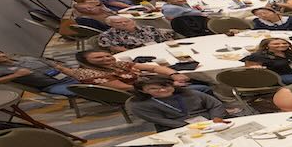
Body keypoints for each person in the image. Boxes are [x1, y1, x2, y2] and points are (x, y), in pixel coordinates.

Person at [127, 76, 238, 130]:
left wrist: (215, 119)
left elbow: (215, 104)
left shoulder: (190, 93)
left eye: (165, 86)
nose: (162, 90)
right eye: (154, 89)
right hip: (178, 127)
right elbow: (161, 120)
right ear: (143, 90)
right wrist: (192, 127)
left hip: (212, 121)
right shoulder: (140, 105)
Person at [68, 50, 201, 93]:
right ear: (86, 62)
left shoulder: (116, 63)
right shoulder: (90, 73)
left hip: (150, 83)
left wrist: (174, 74)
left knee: (196, 79)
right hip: (141, 92)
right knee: (200, 89)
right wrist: (169, 86)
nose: (106, 59)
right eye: (98, 57)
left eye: (108, 55)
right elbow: (126, 88)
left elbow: (153, 68)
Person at [0, 48, 80, 96]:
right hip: (51, 85)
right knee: (85, 90)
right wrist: (15, 75)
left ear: (2, 52)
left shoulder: (23, 58)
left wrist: (68, 71)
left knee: (95, 77)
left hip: (66, 76)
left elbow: (52, 64)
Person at [95, 16, 178, 52]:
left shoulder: (148, 28)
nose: (124, 24)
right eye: (119, 23)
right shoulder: (107, 35)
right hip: (136, 54)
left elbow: (167, 38)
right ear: (111, 25)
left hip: (160, 49)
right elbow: (114, 49)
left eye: (127, 21)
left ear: (133, 21)